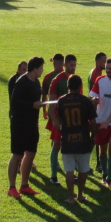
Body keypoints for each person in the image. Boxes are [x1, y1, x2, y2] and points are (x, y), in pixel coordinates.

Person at [55, 74, 98, 203]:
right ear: (80, 86)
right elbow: (93, 122)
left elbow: (58, 120)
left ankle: (70, 197)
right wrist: (94, 136)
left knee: (69, 170)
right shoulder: (86, 101)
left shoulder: (61, 101)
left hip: (67, 139)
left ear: (68, 86)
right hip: (83, 139)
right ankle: (80, 195)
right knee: (83, 169)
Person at [8, 56, 45, 197]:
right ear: (35, 69)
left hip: (32, 124)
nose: (42, 70)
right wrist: (32, 105)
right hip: (19, 124)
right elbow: (15, 103)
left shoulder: (37, 83)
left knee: (30, 153)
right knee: (17, 155)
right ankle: (12, 187)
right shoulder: (21, 82)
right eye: (41, 68)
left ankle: (24, 185)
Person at [89, 57, 111, 186]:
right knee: (102, 150)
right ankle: (104, 174)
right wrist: (94, 99)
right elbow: (92, 94)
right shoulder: (100, 80)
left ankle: (109, 176)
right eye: (107, 68)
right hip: (101, 120)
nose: (108, 70)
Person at [41, 54, 67, 184]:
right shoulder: (64, 77)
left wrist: (44, 111)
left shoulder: (47, 77)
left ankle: (55, 163)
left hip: (53, 112)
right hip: (60, 113)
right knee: (57, 140)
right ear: (63, 63)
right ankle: (56, 164)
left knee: (55, 138)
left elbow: (44, 96)